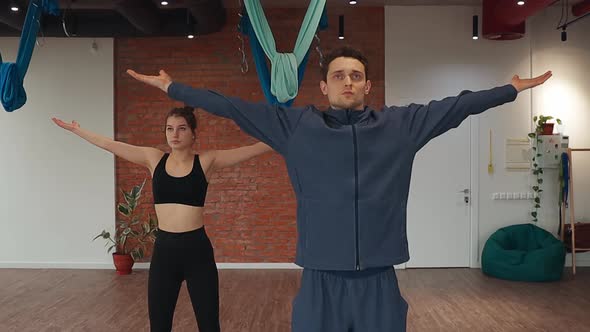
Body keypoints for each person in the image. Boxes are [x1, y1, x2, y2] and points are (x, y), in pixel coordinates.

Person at [127, 45, 552, 332]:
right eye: (338, 75)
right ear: (324, 87)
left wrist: (509, 90)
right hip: (320, 281)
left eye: (356, 75)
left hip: (379, 281)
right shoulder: (294, 128)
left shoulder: (400, 127)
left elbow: (457, 107)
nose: (348, 81)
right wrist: (174, 88)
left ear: (368, 86)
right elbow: (230, 105)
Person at [52, 106, 273, 332]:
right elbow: (111, 145)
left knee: (209, 325)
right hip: (165, 253)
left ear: (194, 133)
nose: (174, 134)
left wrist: (287, 134)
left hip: (197, 251)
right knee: (159, 325)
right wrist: (78, 131)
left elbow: (252, 149)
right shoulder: (154, 158)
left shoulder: (207, 161)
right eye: (169, 129)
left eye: (181, 129)